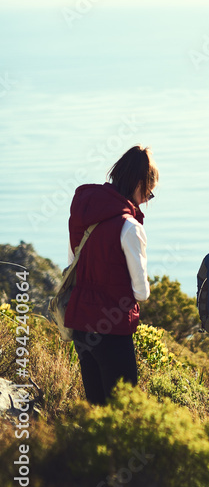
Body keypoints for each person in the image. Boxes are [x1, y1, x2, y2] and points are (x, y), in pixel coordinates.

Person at [64, 145, 158, 405]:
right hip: (113, 331)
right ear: (139, 184)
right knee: (123, 414)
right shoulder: (130, 227)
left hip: (81, 325)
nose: (147, 198)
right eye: (150, 191)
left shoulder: (83, 212)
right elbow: (141, 292)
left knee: (97, 410)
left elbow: (72, 263)